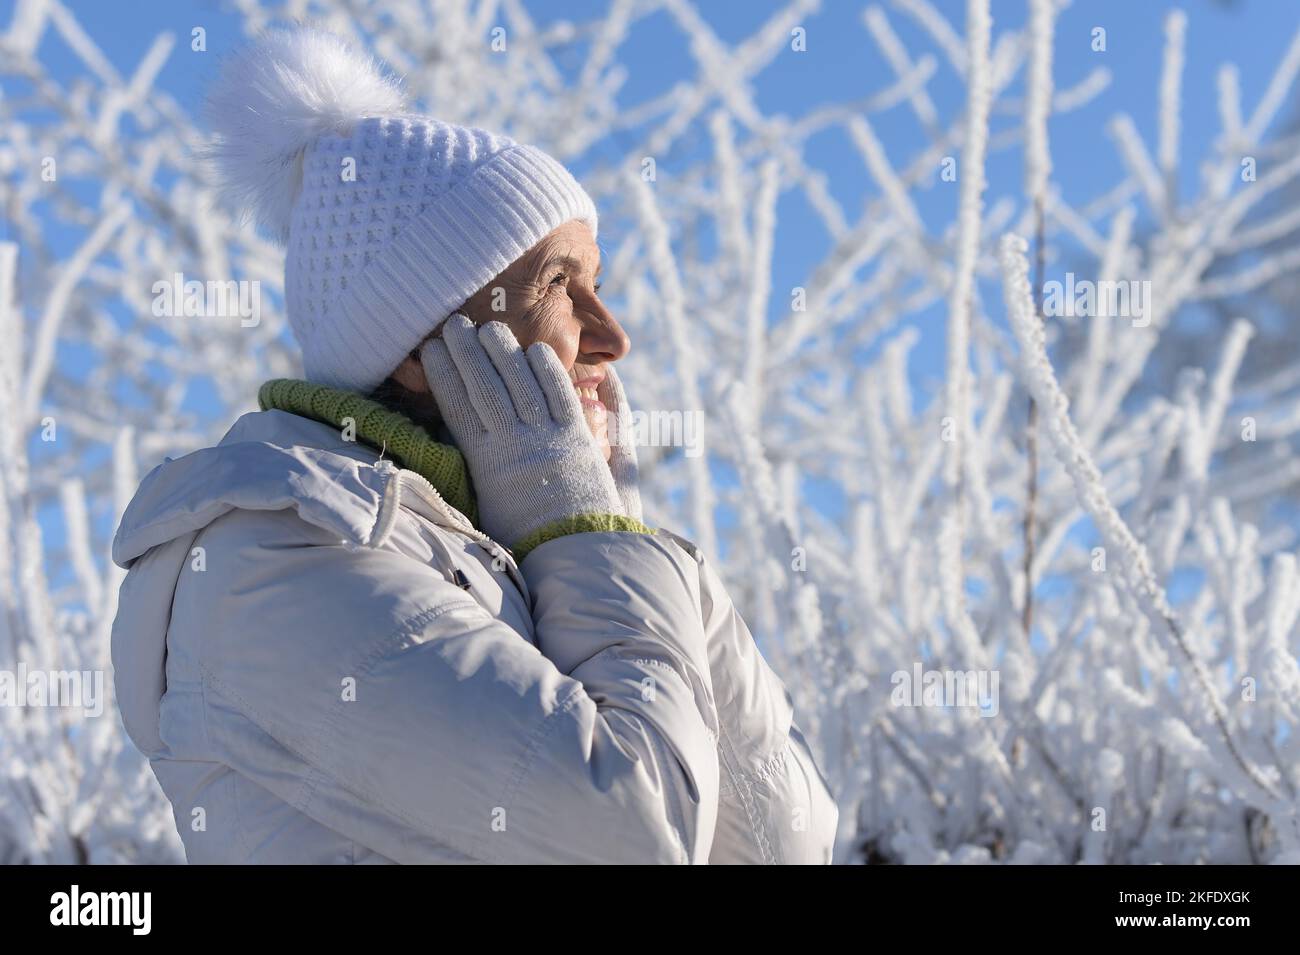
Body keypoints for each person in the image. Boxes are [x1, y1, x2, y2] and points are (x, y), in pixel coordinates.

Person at [109, 26, 837, 864]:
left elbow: (783, 845)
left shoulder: (519, 543)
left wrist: (609, 536)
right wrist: (584, 542)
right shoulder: (277, 556)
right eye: (560, 284)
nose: (612, 335)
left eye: (598, 283)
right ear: (425, 349)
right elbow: (637, 836)